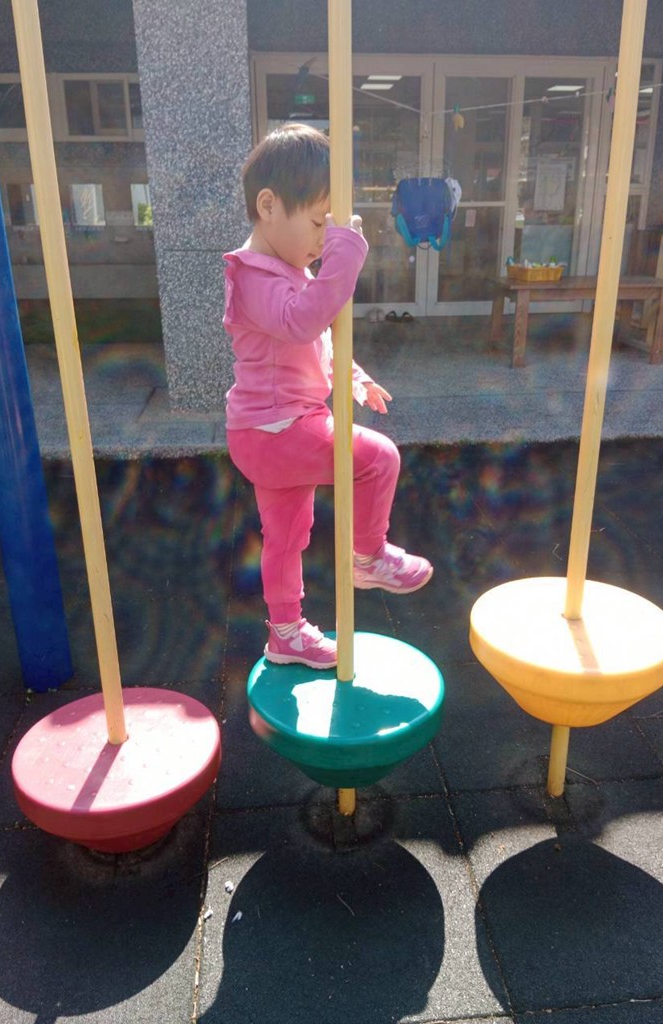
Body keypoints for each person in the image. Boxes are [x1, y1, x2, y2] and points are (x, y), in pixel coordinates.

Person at [223, 123, 433, 670]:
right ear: (268, 206)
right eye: (318, 222)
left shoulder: (287, 271)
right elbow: (302, 322)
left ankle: (285, 634)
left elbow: (318, 341)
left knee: (286, 536)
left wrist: (354, 376)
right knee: (378, 459)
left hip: (270, 430)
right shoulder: (253, 275)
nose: (323, 239)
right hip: (277, 429)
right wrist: (346, 256)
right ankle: (369, 555)